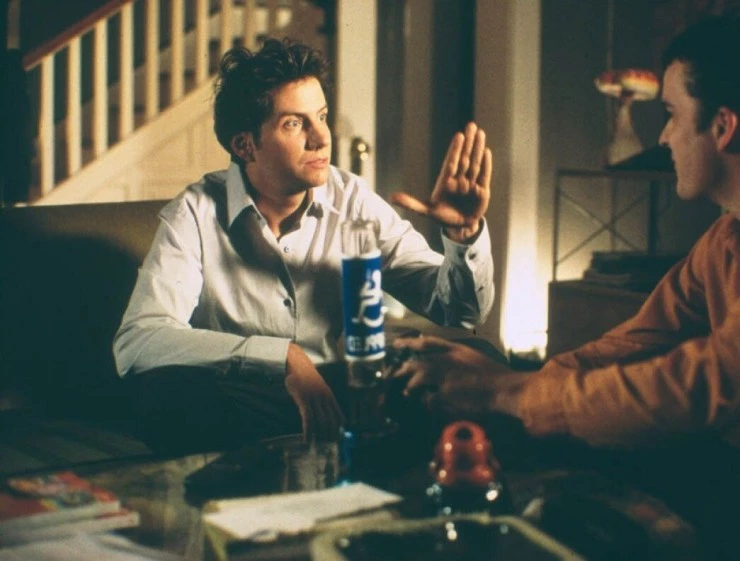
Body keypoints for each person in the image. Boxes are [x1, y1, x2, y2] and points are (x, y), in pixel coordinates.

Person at [113, 38, 495, 453]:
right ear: (244, 145)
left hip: (340, 388)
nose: (321, 138)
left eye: (322, 117)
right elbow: (139, 340)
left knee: (479, 360)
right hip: (246, 397)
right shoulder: (195, 211)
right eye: (294, 124)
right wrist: (281, 358)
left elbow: (458, 312)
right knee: (163, 393)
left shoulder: (353, 199)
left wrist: (463, 237)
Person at [392, 12, 740, 451]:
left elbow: (699, 385)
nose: (664, 137)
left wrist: (504, 392)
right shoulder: (723, 240)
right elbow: (634, 342)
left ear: (722, 127)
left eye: (672, 115)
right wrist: (511, 382)